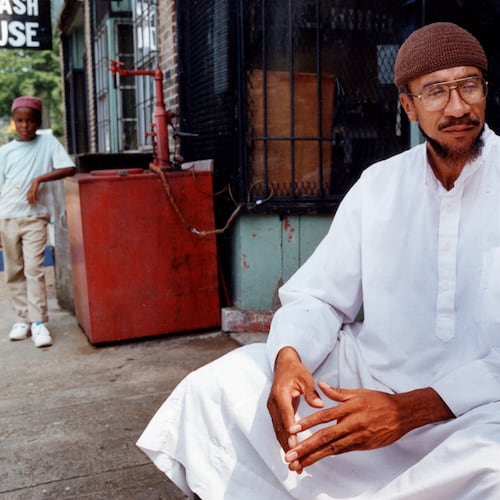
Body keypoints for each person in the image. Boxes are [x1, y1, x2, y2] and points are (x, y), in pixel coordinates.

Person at [137, 22, 500, 499]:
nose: (457, 108)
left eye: (468, 86)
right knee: (223, 387)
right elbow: (320, 296)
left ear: (484, 91)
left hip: (477, 407)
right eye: (435, 92)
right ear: (407, 106)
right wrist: (290, 359)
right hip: (371, 379)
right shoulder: (379, 185)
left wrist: (408, 410)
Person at [0, 96, 75, 348]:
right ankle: (22, 319)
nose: (25, 126)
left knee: (34, 268)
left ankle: (39, 322)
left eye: (30, 121)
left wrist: (38, 180)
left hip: (35, 217)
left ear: (38, 122)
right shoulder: (5, 152)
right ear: (14, 122)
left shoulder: (48, 143)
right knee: (14, 271)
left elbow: (69, 168)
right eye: (20, 121)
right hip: (7, 216)